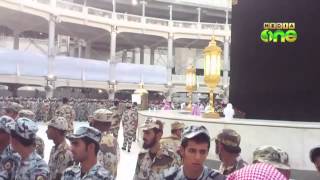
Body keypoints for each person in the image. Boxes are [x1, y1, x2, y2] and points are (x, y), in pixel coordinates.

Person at [90, 109, 120, 178]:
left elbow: (94, 168)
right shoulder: (114, 140)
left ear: (95, 123)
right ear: (110, 125)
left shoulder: (96, 141)